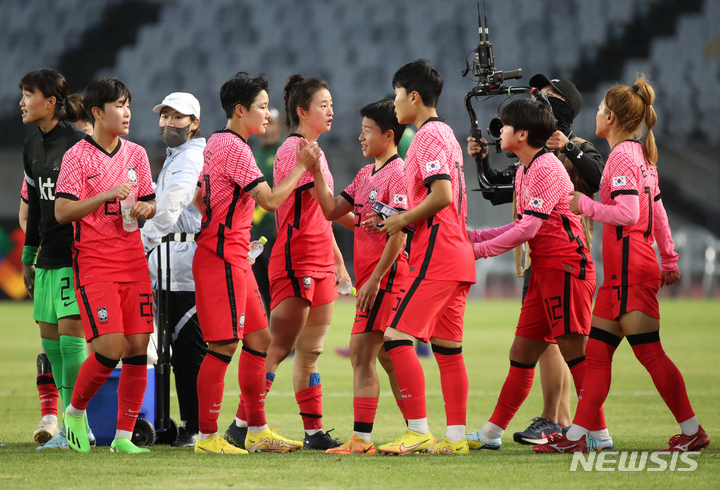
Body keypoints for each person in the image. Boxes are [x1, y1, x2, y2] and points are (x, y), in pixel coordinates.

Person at [536, 76, 710, 453]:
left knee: (650, 354)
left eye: (600, 109)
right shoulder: (642, 157)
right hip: (626, 272)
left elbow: (629, 213)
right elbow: (658, 211)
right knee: (597, 358)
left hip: (630, 271)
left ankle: (693, 431)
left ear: (611, 118)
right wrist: (669, 257)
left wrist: (585, 206)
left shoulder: (620, 156)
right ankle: (577, 438)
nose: (596, 114)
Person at [465, 98, 611, 451]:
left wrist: (478, 251)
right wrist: (471, 236)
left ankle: (599, 435)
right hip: (544, 269)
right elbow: (518, 224)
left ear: (524, 133)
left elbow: (528, 228)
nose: (499, 132)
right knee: (521, 354)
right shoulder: (524, 169)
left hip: (565, 268)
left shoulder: (546, 167)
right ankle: (492, 432)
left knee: (575, 354)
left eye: (505, 126)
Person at [192, 72, 317, 455]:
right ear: (240, 110)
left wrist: (229, 225)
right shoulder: (238, 149)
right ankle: (207, 437)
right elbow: (271, 200)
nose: (267, 115)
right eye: (262, 107)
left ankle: (258, 430)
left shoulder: (216, 141)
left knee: (260, 340)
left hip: (231, 253)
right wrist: (301, 167)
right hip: (223, 257)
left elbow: (200, 196)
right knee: (223, 345)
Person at [228, 74, 352, 451]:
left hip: (321, 261)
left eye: (331, 104)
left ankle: (313, 432)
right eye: (323, 105)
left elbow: (323, 214)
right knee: (278, 348)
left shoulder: (315, 151)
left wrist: (341, 263)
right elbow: (290, 207)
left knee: (311, 351)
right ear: (302, 111)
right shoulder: (292, 151)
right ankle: (239, 424)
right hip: (297, 259)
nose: (331, 111)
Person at [366, 60, 476, 455]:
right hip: (458, 252)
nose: (394, 102)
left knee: (394, 338)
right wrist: (399, 221)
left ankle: (417, 432)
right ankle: (456, 439)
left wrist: (400, 221)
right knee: (449, 350)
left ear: (413, 96)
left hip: (437, 252)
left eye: (396, 94)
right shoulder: (445, 132)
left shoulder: (426, 136)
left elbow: (441, 194)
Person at [55, 76, 157, 454]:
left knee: (137, 346)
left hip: (133, 259)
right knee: (110, 345)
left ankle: (124, 438)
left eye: (128, 103)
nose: (127, 112)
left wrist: (148, 208)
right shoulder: (77, 157)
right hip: (95, 261)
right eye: (119, 105)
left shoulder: (137, 154)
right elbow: (62, 211)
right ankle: (75, 411)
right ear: (97, 112)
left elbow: (149, 202)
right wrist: (104, 195)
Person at [310, 99, 409, 454]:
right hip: (373, 277)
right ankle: (416, 430)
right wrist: (316, 173)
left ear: (388, 134)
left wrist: (376, 278)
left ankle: (365, 439)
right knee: (385, 357)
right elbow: (333, 210)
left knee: (363, 352)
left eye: (367, 130)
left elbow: (399, 232)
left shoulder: (399, 173)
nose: (360, 137)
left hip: (386, 277)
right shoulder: (366, 175)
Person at [18, 70, 93, 449]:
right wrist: (29, 255)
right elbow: (34, 209)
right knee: (50, 340)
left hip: (76, 254)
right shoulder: (31, 146)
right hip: (47, 256)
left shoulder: (78, 145)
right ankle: (67, 424)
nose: (21, 101)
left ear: (50, 102)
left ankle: (78, 425)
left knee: (70, 338)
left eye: (27, 94)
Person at [140, 92, 207, 447]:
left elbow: (171, 206)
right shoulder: (177, 156)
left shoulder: (190, 158)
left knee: (188, 348)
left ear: (194, 123)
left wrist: (142, 245)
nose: (168, 123)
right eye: (164, 116)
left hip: (184, 263)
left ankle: (194, 428)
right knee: (175, 349)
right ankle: (179, 423)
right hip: (172, 263)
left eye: (177, 117)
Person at [250, 107, 282, 313]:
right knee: (260, 289)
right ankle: (271, 340)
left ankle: (289, 344)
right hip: (253, 231)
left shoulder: (282, 153)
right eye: (265, 123)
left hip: (274, 230)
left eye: (272, 123)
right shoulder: (253, 155)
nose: (268, 128)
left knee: (278, 288)